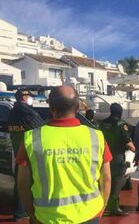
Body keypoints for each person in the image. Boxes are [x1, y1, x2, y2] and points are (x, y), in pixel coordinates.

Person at [16, 85, 112, 224]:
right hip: (90, 214)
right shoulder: (96, 137)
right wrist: (101, 207)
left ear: (51, 107)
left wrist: (31, 213)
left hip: (47, 217)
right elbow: (106, 178)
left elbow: (22, 185)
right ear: (78, 106)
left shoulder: (31, 138)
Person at [7, 88, 44, 221]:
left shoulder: (13, 112)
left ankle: (19, 212)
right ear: (24, 97)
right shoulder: (27, 112)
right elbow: (42, 127)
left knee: (20, 182)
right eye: (30, 97)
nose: (31, 99)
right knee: (31, 183)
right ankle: (26, 212)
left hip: (18, 151)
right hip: (30, 152)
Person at [100, 103, 135, 216]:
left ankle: (102, 204)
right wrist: (137, 151)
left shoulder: (103, 123)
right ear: (120, 112)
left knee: (104, 181)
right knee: (116, 183)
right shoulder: (121, 124)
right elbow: (128, 143)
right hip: (117, 157)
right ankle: (114, 207)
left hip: (104, 156)